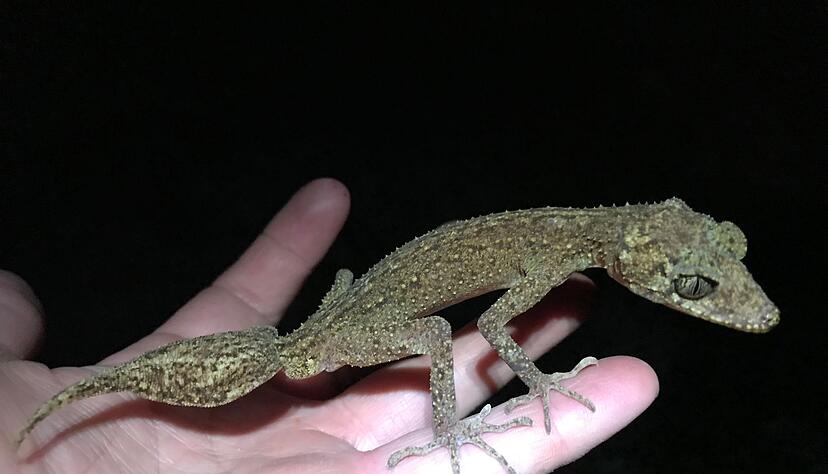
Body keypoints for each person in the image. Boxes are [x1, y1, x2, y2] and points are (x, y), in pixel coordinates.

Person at [0, 178, 658, 473]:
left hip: (340, 322)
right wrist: (513, 394)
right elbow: (458, 330)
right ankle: (448, 430)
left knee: (354, 298)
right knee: (431, 335)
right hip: (335, 336)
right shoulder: (563, 243)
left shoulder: (563, 242)